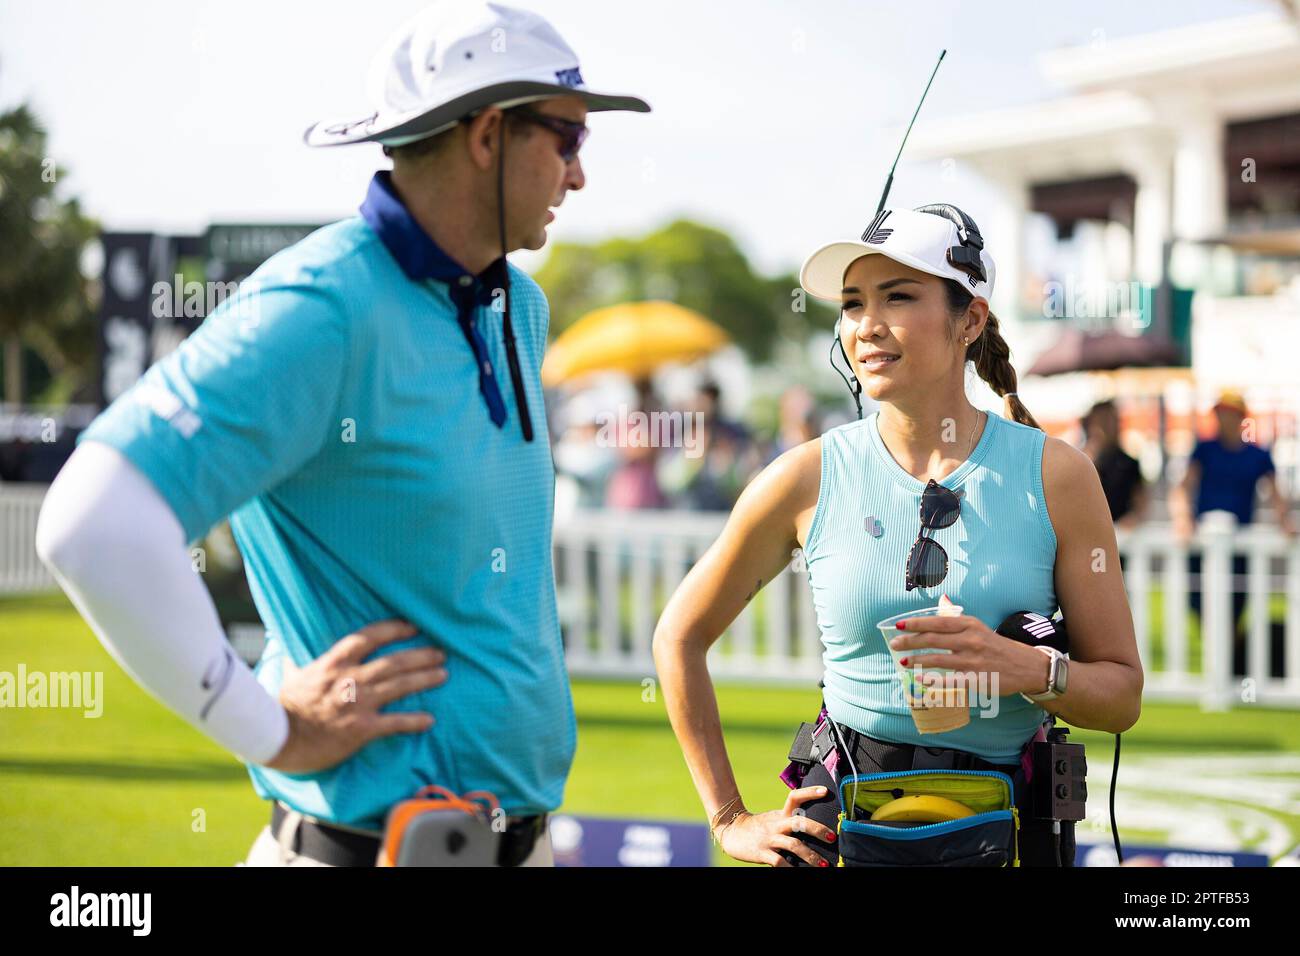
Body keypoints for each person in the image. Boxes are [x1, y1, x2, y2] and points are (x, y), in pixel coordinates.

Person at [35, 1, 648, 867]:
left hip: (518, 844)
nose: (578, 177)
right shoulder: (320, 305)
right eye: (568, 140)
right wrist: (268, 728)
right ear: (485, 135)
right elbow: (89, 525)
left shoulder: (522, 304)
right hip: (362, 849)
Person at [653, 204, 1143, 867]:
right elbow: (678, 637)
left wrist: (1025, 669)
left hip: (1005, 832)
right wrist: (729, 817)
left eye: (898, 296)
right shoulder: (804, 477)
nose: (866, 326)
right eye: (853, 304)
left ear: (969, 318)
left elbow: (1120, 697)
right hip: (841, 831)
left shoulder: (1057, 474)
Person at [1170, 388, 1296, 676]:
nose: (1222, 419)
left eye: (1227, 414)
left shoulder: (1257, 454)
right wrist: (1183, 518)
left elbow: (1276, 495)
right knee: (1199, 602)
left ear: (1240, 417)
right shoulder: (1204, 449)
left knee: (1235, 605)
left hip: (1238, 544)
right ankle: (1225, 664)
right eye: (1219, 413)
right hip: (1204, 543)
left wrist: (1285, 522)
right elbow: (1183, 487)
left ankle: (1229, 667)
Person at [1081, 399, 1148, 531]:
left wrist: (1133, 519)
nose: (1107, 427)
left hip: (1121, 535)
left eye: (1111, 420)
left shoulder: (1129, 463)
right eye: (1102, 421)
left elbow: (1140, 501)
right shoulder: (1079, 461)